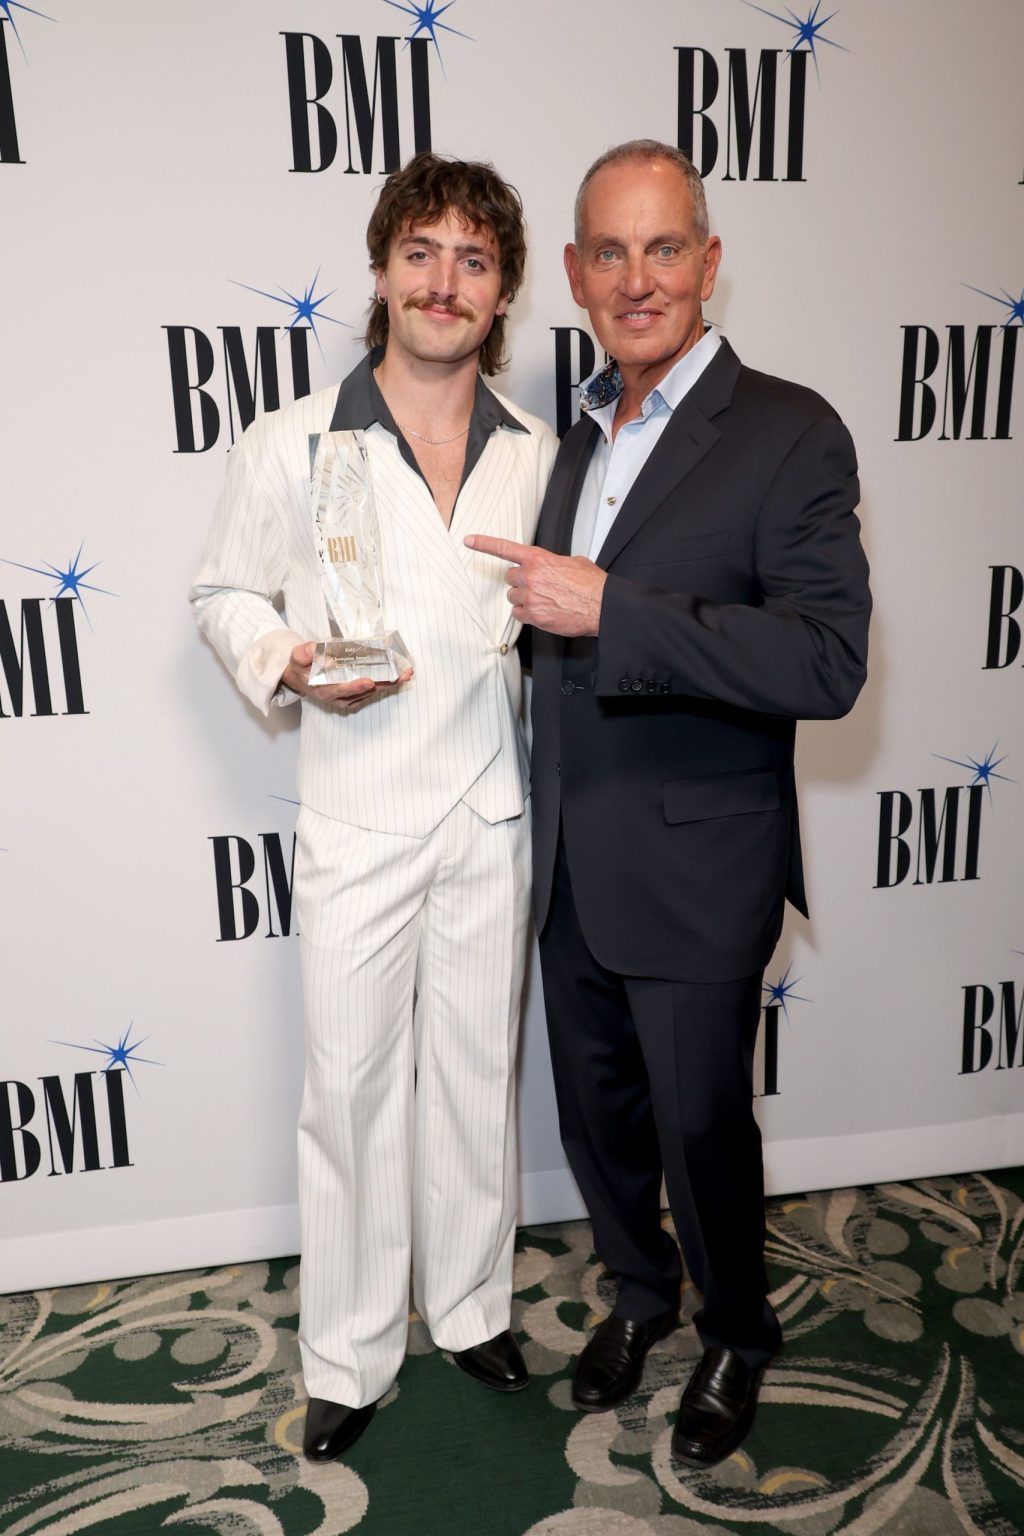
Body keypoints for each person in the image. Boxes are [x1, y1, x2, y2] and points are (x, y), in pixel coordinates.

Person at [466, 139, 870, 1467]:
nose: (637, 278)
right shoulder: (576, 435)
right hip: (571, 855)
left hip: (700, 867)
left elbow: (824, 659)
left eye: (663, 247)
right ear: (576, 275)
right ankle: (644, 1301)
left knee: (700, 1133)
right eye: (609, 252)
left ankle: (740, 1336)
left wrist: (615, 608)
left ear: (707, 260)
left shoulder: (790, 429)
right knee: (599, 1123)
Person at [191, 152, 558, 1461]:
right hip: (355, 814)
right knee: (348, 1093)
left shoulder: (540, 454)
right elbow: (223, 592)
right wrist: (284, 659)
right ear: (383, 267)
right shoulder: (291, 438)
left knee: (475, 1082)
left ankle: (468, 1310)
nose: (443, 281)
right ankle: (347, 1356)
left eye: (472, 258)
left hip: (490, 814)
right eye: (421, 253)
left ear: (502, 285)